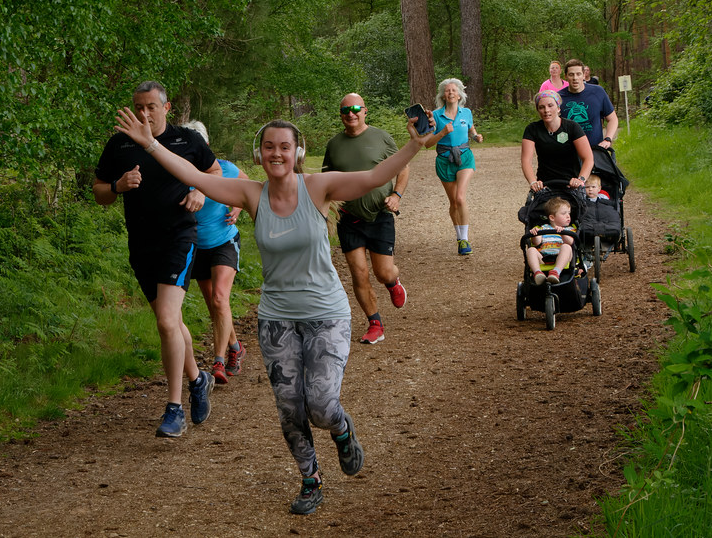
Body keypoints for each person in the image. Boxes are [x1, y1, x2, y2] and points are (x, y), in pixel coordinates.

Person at [113, 106, 432, 516]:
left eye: (284, 146)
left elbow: (373, 177)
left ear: (297, 152)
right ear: (259, 153)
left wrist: (413, 145)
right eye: (268, 147)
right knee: (290, 407)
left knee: (321, 405)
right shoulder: (251, 194)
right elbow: (193, 175)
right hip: (277, 319)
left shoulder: (318, 187)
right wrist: (151, 145)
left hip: (326, 313)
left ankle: (341, 429)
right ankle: (310, 479)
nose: (276, 153)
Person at [93, 82, 221, 438]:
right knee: (171, 322)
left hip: (179, 238)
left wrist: (199, 191)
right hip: (141, 244)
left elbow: (214, 172)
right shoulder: (119, 144)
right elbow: (99, 192)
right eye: (138, 106)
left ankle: (174, 408)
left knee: (166, 321)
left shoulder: (186, 140)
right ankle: (198, 379)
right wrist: (117, 186)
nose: (144, 113)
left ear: (166, 108)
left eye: (151, 106)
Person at [322, 93, 408, 346]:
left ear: (365, 111)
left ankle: (392, 281)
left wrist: (396, 195)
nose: (351, 113)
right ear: (341, 115)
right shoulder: (334, 145)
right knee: (359, 274)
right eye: (345, 110)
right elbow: (325, 180)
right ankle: (375, 324)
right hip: (348, 218)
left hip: (379, 215)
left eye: (356, 109)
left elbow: (403, 167)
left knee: (383, 272)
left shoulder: (381, 138)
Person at [182, 120, 249, 385]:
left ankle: (218, 361)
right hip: (196, 245)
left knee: (220, 299)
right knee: (214, 305)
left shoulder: (225, 168)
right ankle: (235, 347)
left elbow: (247, 185)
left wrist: (238, 207)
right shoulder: (179, 172)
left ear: (206, 145)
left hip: (224, 241)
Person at [431, 78, 483, 256]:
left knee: (460, 198)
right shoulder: (436, 116)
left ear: (460, 95)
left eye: (454, 90)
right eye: (447, 91)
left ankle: (465, 238)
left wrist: (475, 136)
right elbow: (427, 143)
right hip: (444, 160)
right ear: (443, 95)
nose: (451, 93)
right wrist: (442, 132)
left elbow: (471, 128)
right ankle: (459, 238)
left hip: (465, 157)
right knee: (453, 202)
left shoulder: (466, 112)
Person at [521, 90, 594, 192]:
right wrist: (533, 182)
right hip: (545, 184)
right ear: (538, 110)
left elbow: (588, 158)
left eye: (550, 105)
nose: (546, 110)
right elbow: (526, 161)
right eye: (541, 107)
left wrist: (581, 179)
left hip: (571, 184)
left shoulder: (572, 127)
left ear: (558, 108)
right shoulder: (532, 129)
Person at [559, 59, 618, 149]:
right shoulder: (558, 98)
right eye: (571, 74)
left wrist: (607, 139)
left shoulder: (598, 92)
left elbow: (612, 119)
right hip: (568, 151)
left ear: (584, 75)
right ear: (565, 76)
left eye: (578, 74)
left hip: (595, 149)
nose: (575, 78)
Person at [526, 197, 576, 285]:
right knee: (531, 250)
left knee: (566, 247)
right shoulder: (543, 228)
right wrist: (535, 234)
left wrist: (563, 233)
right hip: (544, 258)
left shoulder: (570, 229)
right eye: (564, 213)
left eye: (569, 213)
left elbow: (571, 242)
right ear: (552, 217)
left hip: (562, 259)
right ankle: (537, 273)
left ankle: (556, 272)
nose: (568, 216)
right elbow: (536, 243)